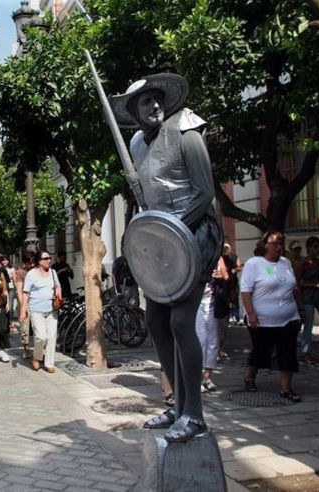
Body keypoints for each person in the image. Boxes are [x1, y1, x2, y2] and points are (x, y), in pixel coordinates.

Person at [110, 73, 223, 442]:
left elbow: (205, 193)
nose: (155, 105)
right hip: (162, 242)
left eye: (158, 98)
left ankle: (195, 415)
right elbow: (146, 201)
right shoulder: (136, 144)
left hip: (197, 235)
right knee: (156, 320)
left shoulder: (186, 128)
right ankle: (177, 404)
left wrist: (170, 231)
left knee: (181, 322)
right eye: (146, 101)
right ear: (134, 110)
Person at [241, 231, 304, 402]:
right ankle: (249, 377)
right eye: (275, 243)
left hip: (289, 318)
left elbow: (294, 288)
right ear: (265, 245)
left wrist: (300, 309)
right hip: (262, 320)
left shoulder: (286, 262)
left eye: (281, 243)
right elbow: (245, 292)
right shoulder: (254, 264)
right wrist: (251, 314)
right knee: (261, 351)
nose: (279, 247)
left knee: (288, 352)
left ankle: (285, 388)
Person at [22, 250, 61, 373]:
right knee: (40, 337)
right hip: (36, 310)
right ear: (39, 261)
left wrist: (58, 293)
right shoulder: (31, 274)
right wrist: (23, 311)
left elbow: (58, 285)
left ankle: (49, 363)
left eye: (50, 258)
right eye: (46, 258)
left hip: (52, 310)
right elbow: (25, 293)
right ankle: (37, 357)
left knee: (51, 337)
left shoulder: (53, 272)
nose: (49, 260)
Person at [195, 257, 228, 392]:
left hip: (213, 303)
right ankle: (197, 379)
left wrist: (221, 276)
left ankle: (207, 377)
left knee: (213, 341)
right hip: (197, 302)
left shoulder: (218, 258)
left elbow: (226, 276)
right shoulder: (195, 255)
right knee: (201, 339)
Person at [299, 236, 319, 360]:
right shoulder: (304, 263)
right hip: (307, 296)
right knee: (309, 324)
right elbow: (298, 281)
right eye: (315, 247)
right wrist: (313, 285)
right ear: (308, 248)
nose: (317, 250)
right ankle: (305, 351)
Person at [15, 250, 35, 359]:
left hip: (36, 302)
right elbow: (19, 290)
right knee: (24, 328)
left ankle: (38, 350)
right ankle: (26, 348)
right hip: (25, 302)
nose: (31, 265)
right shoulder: (21, 273)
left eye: (32, 262)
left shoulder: (37, 271)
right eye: (29, 263)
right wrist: (23, 305)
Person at [0, 255, 17, 332]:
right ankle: (6, 323)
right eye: (3, 260)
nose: (4, 262)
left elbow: (15, 280)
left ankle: (11, 322)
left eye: (6, 260)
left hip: (11, 288)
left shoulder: (12, 269)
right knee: (4, 306)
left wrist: (17, 290)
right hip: (3, 289)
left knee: (10, 307)